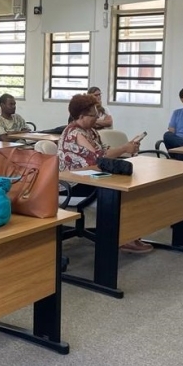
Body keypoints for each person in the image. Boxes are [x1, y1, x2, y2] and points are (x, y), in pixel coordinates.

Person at [58, 94, 151, 254]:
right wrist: (123, 148)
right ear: (81, 116)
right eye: (93, 115)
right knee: (119, 194)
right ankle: (122, 238)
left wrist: (128, 148)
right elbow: (98, 158)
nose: (97, 119)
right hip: (73, 185)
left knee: (131, 189)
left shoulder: (90, 131)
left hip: (91, 179)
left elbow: (105, 151)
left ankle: (127, 235)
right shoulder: (74, 133)